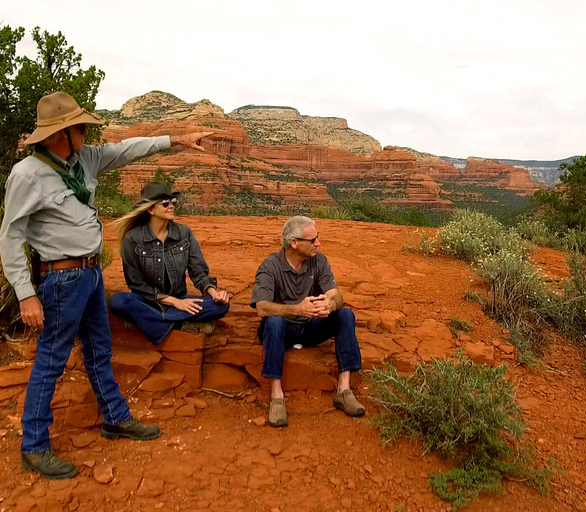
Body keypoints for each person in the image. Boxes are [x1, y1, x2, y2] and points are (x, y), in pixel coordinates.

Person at [0, 91, 213, 479]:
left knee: (100, 350)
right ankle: (33, 446)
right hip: (60, 278)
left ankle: (115, 418)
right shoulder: (28, 174)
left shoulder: (86, 160)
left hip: (91, 274)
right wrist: (26, 294)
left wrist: (175, 140)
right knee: (51, 359)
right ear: (62, 133)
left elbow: (129, 149)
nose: (87, 134)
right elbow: (11, 236)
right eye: (81, 128)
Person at [250, 215, 364, 427]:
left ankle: (344, 389)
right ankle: (276, 396)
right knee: (273, 321)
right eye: (313, 240)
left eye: (317, 238)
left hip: (311, 327)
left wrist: (330, 304)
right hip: (283, 330)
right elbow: (261, 307)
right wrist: (296, 309)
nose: (318, 244)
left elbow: (336, 294)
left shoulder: (318, 260)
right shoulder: (271, 265)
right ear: (294, 243)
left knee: (345, 314)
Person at [108, 181, 231, 344]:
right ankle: (179, 325)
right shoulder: (133, 239)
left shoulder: (184, 233)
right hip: (149, 302)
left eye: (173, 202)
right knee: (118, 301)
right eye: (165, 203)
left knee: (221, 306)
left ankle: (147, 323)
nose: (171, 206)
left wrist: (214, 293)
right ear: (150, 209)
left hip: (177, 300)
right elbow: (136, 285)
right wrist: (175, 302)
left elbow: (199, 273)